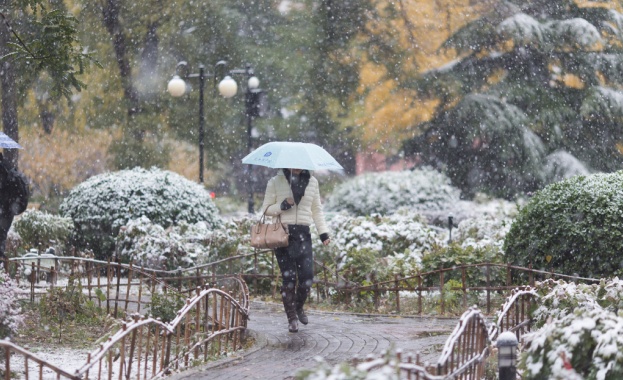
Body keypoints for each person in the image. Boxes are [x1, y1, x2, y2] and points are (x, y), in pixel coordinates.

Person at [260, 168, 331, 333]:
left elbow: (317, 210)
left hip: (303, 235)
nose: (297, 167)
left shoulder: (312, 182)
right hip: (283, 234)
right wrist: (282, 205)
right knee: (289, 278)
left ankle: (298, 307)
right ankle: (291, 318)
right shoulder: (275, 181)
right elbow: (266, 209)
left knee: (307, 278)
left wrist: (323, 233)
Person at [0, 153, 29, 268]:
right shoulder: (8, 166)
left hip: (4, 208)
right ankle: (2, 266)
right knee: (1, 235)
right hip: (9, 210)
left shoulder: (3, 169)